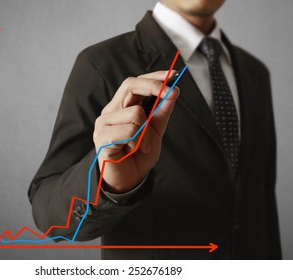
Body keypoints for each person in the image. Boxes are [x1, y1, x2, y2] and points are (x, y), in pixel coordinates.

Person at [28, 0, 282, 259]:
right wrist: (109, 182)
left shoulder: (254, 72)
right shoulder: (101, 63)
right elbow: (48, 215)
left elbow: (262, 198)